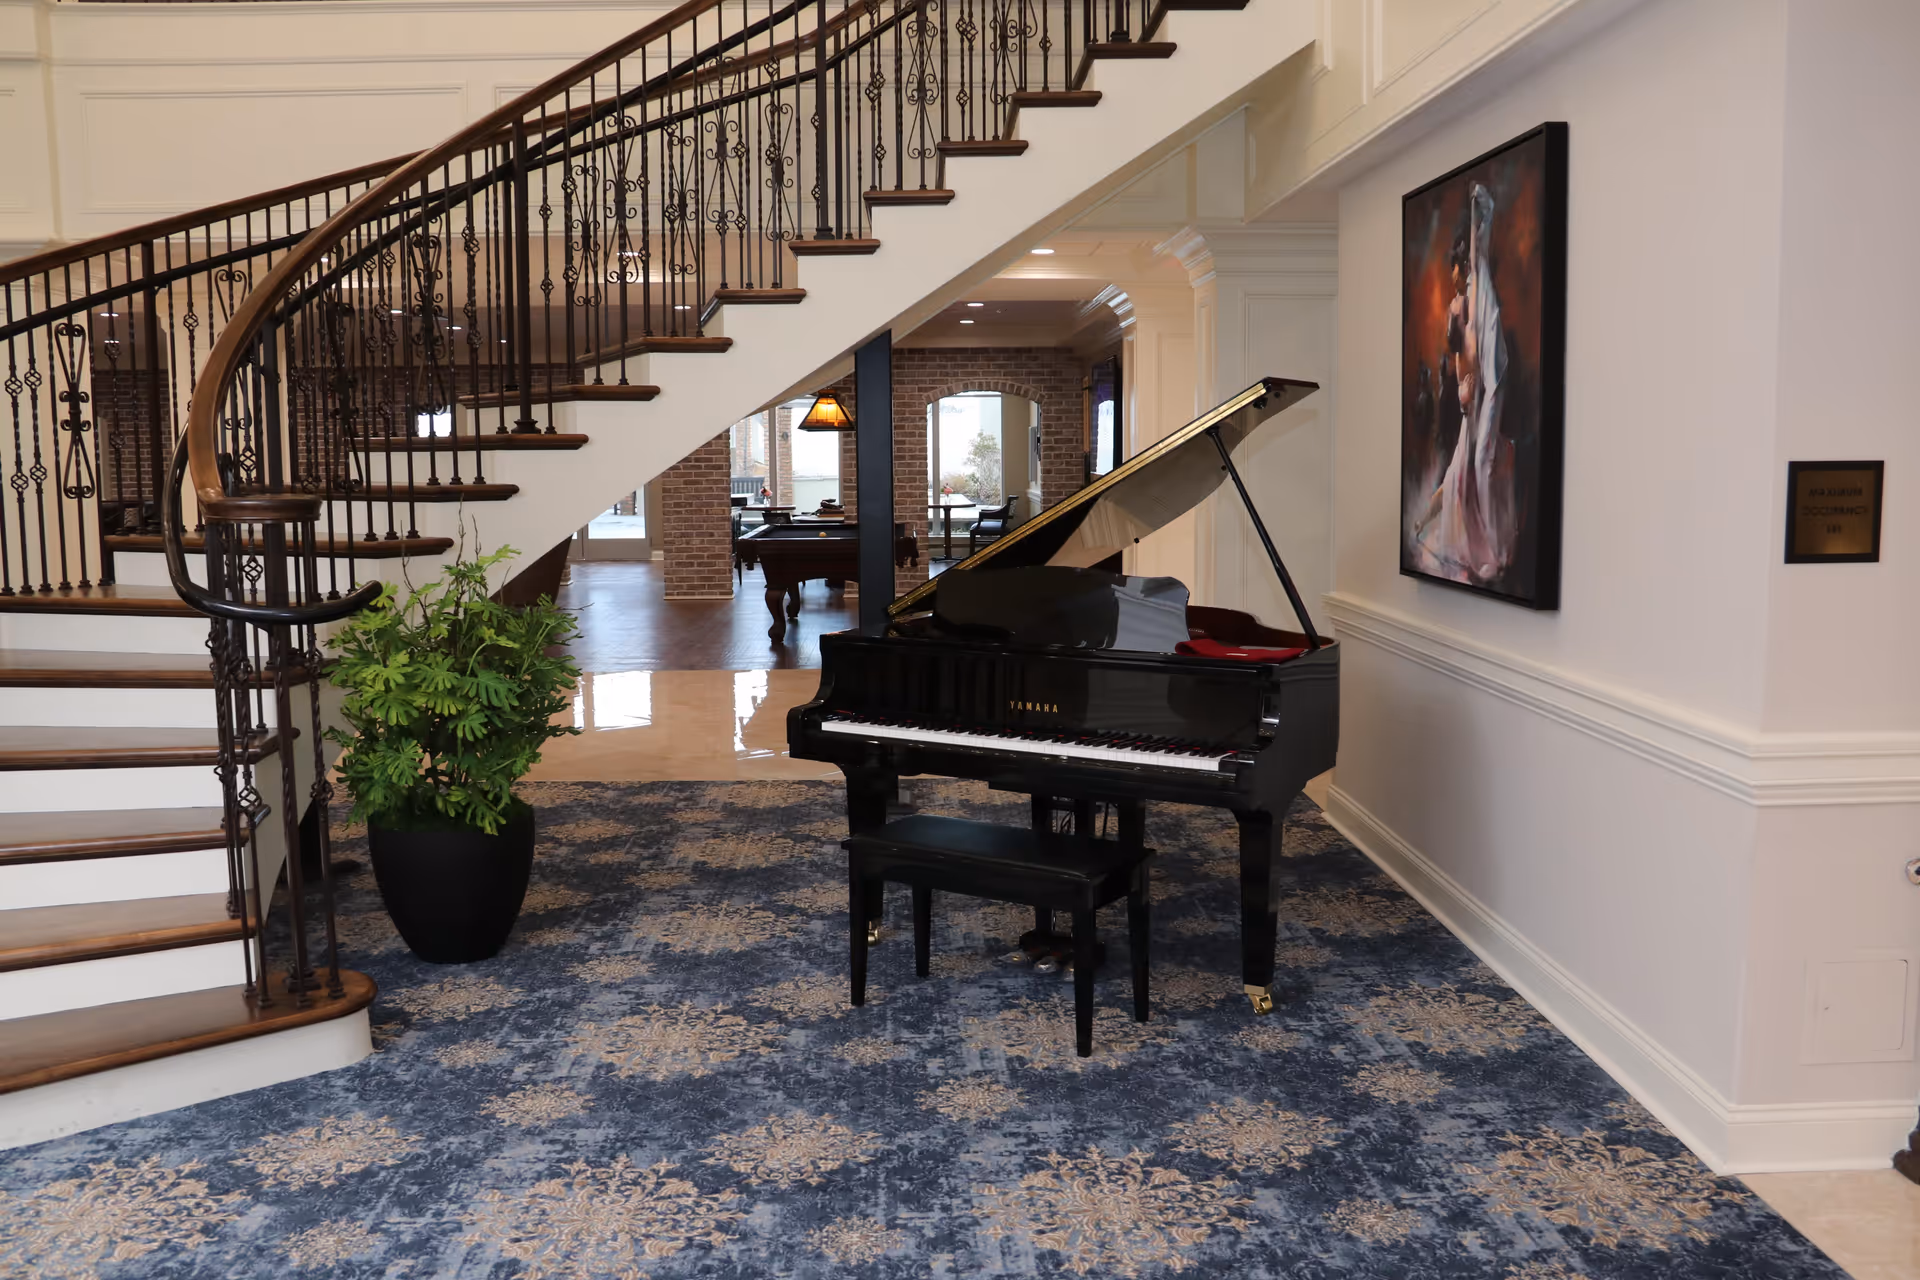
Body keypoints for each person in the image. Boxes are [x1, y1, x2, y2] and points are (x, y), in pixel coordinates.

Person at [1413, 182, 1512, 584]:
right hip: (1469, 407)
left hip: (1476, 403)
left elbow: (1468, 354)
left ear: (1462, 268)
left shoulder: (1473, 300)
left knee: (1466, 472)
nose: (1453, 275)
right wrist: (1464, 393)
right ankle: (1426, 524)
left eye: (1455, 268)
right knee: (1459, 475)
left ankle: (1483, 544)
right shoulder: (1459, 311)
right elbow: (1458, 357)